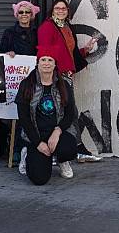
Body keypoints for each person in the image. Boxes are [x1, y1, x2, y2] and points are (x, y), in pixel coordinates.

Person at [37, 0, 101, 163]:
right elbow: (45, 55)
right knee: (64, 113)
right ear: (52, 10)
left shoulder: (66, 27)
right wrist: (53, 76)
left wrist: (85, 49)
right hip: (56, 76)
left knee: (67, 112)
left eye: (63, 8)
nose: (60, 11)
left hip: (66, 76)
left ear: (68, 12)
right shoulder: (47, 27)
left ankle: (72, 149)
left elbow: (69, 54)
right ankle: (72, 149)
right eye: (57, 8)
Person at [15, 46, 78, 185]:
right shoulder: (27, 84)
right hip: (35, 134)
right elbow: (23, 118)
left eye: (50, 60)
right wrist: (37, 143)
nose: (46, 63)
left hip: (56, 133)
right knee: (39, 179)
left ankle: (62, 160)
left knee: (70, 148)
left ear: (55, 64)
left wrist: (58, 131)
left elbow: (70, 113)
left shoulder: (63, 84)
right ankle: (27, 154)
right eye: (43, 59)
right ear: (38, 62)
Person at [0, 1, 41, 166]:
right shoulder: (9, 32)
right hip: (15, 79)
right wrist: (7, 53)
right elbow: (0, 53)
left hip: (32, 77)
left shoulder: (37, 32)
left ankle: (28, 148)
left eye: (27, 12)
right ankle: (15, 150)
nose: (24, 15)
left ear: (31, 15)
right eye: (21, 12)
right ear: (17, 15)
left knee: (31, 113)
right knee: (16, 115)